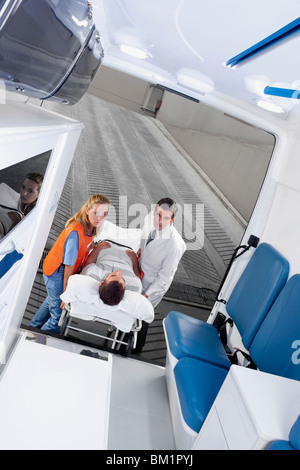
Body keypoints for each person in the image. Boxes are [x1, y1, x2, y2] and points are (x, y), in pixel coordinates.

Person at [29, 194, 109, 333]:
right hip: (57, 272)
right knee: (58, 317)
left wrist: (97, 247)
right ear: (87, 210)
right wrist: (66, 295)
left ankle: (31, 328)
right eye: (96, 212)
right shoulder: (75, 232)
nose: (99, 218)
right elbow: (69, 266)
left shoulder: (91, 228)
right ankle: (37, 343)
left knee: (51, 301)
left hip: (62, 271)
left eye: (104, 214)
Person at [133, 197, 186, 351]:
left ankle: (137, 349)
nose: (159, 220)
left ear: (173, 219)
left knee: (142, 318)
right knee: (131, 312)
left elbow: (164, 278)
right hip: (140, 274)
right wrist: (141, 249)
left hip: (152, 284)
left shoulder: (174, 245)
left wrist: (147, 295)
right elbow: (145, 236)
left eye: (165, 217)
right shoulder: (152, 219)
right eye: (158, 214)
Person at [0, 172, 44, 240]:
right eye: (23, 187)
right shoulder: (18, 200)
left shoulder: (35, 216)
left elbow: (11, 241)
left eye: (30, 191)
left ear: (39, 194)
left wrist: (16, 223)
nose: (24, 193)